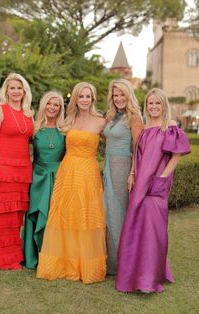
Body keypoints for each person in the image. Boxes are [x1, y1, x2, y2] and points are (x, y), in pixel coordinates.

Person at [115, 88, 190, 293]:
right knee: (135, 227)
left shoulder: (171, 127)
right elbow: (137, 154)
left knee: (154, 231)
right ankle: (133, 275)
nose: (154, 106)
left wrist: (163, 178)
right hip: (139, 184)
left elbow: (176, 155)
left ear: (164, 105)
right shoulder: (145, 128)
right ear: (146, 106)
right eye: (150, 103)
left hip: (156, 184)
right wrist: (132, 173)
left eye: (158, 103)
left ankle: (150, 278)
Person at [37, 82, 107, 283]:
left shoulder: (101, 122)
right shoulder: (67, 121)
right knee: (65, 213)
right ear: (75, 98)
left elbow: (116, 144)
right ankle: (64, 261)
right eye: (81, 96)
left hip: (88, 172)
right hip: (67, 171)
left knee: (86, 214)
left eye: (88, 96)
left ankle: (86, 265)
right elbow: (48, 135)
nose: (84, 100)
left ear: (93, 99)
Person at [0, 73, 34, 270]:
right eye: (12, 88)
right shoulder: (0, 110)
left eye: (19, 88)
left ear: (24, 91)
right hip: (4, 168)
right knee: (4, 215)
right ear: (6, 91)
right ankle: (3, 258)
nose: (15, 91)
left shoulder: (29, 113)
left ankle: (15, 256)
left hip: (23, 170)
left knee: (17, 216)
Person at [103, 79, 143, 275]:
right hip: (107, 166)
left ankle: (123, 264)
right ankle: (110, 262)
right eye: (115, 95)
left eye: (122, 95)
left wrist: (132, 173)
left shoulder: (134, 117)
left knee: (119, 212)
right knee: (107, 212)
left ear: (128, 96)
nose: (118, 98)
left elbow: (138, 149)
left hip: (122, 167)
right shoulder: (111, 116)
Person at [22, 91, 66, 269]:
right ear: (44, 105)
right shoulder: (34, 128)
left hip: (58, 176)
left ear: (60, 108)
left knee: (55, 216)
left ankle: (53, 255)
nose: (52, 107)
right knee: (36, 214)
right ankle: (33, 256)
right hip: (38, 176)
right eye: (49, 103)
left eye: (56, 105)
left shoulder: (65, 129)